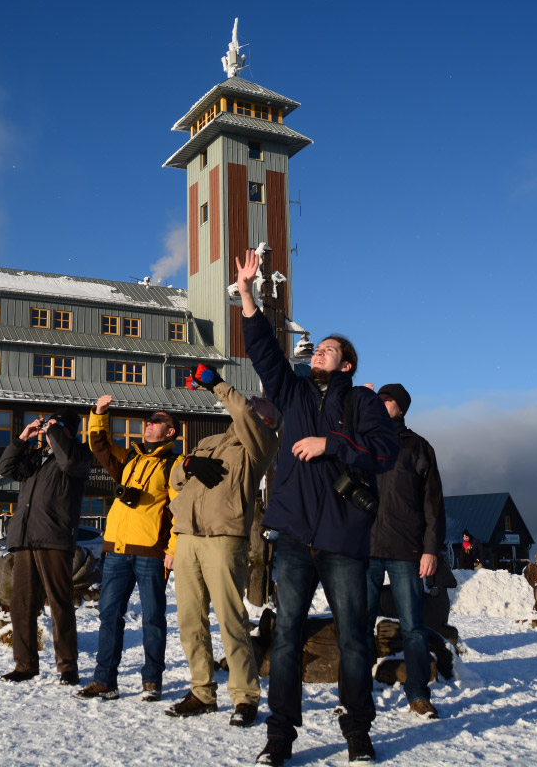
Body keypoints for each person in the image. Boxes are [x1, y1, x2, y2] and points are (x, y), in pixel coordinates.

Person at [234, 249, 400, 766]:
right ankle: (280, 734)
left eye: (329, 349)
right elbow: (264, 352)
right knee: (285, 637)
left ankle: (357, 731)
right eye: (319, 347)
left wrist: (333, 445)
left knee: (353, 640)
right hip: (293, 537)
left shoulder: (362, 404)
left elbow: (384, 452)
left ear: (346, 363)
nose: (320, 351)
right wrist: (247, 295)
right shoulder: (295, 391)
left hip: (345, 540)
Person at [163, 366, 280, 727]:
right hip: (187, 537)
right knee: (189, 621)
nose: (250, 403)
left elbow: (243, 411)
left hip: (224, 539)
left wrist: (216, 384)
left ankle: (245, 696)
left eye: (257, 403)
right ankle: (202, 691)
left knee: (231, 620)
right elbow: (177, 480)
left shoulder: (261, 444)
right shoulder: (210, 441)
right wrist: (187, 462)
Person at [76, 396, 181, 702]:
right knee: (109, 616)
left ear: (170, 432)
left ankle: (152, 680)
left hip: (151, 552)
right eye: (148, 420)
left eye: (157, 421)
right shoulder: (129, 460)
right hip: (117, 550)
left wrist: (172, 548)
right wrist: (99, 414)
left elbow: (180, 510)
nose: (149, 424)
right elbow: (100, 445)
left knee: (153, 618)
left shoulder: (173, 465)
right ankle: (104, 680)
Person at [365, 383, 445, 719]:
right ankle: (357, 691)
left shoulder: (418, 447)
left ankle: (417, 693)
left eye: (389, 400)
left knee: (412, 625)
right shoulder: (363, 441)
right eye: (378, 399)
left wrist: (430, 550)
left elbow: (434, 506)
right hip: (364, 547)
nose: (382, 404)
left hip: (405, 549)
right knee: (359, 623)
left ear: (402, 407)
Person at [0, 410, 93, 686]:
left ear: (68, 431)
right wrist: (22, 440)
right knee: (21, 604)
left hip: (54, 537)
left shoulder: (78, 455)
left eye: (57, 425)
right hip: (26, 538)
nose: (49, 429)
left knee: (60, 603)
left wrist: (54, 433)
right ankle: (25, 665)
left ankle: (68, 667)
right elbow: (5, 469)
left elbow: (68, 459)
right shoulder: (38, 459)